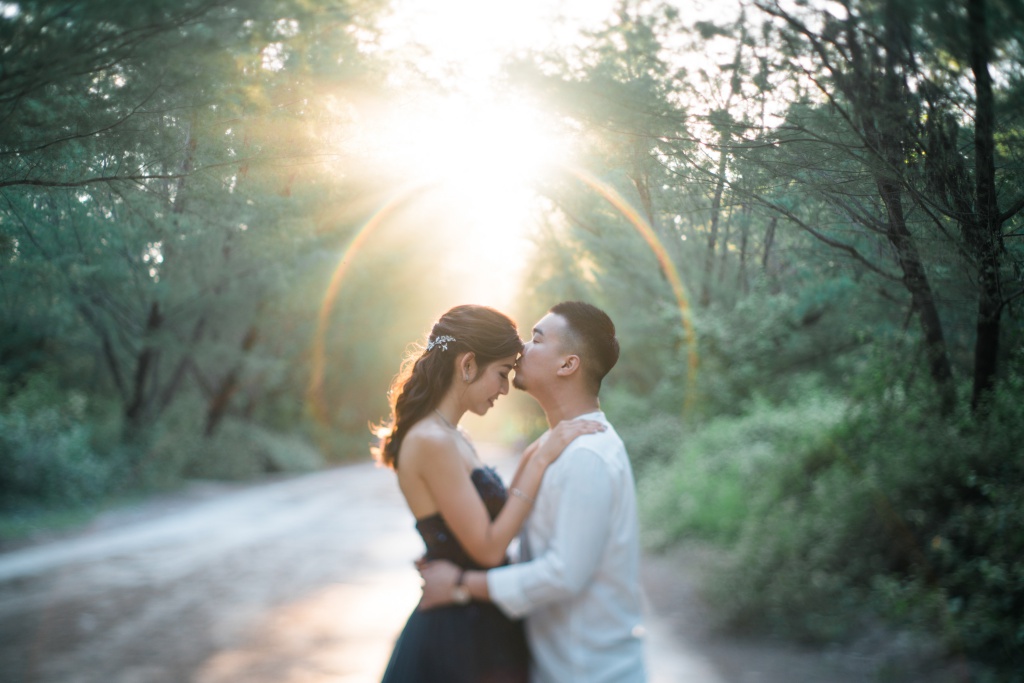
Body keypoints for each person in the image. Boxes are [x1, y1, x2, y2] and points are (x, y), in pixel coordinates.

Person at [419, 301, 647, 683]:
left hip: (590, 673)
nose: (522, 348)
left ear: (567, 364)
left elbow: (563, 574)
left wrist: (460, 585)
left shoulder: (588, 455)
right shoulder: (557, 446)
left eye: (537, 339)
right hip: (555, 667)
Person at [375, 304, 605, 683]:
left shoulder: (452, 436)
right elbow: (487, 547)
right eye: (501, 373)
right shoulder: (433, 441)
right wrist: (542, 457)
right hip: (459, 636)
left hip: (478, 619)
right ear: (467, 365)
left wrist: (544, 444)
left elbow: (484, 524)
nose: (504, 388)